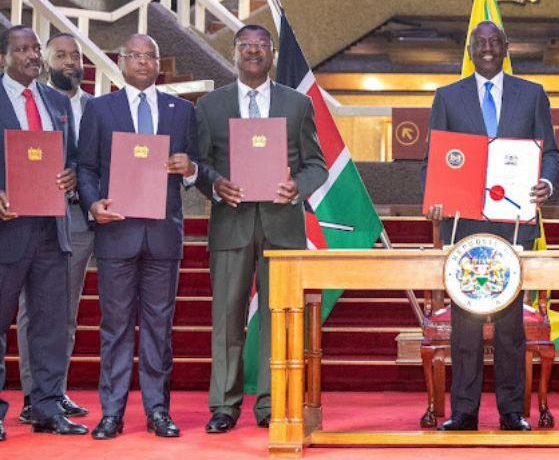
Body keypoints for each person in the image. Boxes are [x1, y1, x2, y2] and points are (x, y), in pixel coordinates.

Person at [423, 21, 559, 432]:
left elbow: (549, 152)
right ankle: (463, 412)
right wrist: (435, 200)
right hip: (464, 226)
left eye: (494, 42)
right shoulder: (447, 97)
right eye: (479, 43)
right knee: (465, 324)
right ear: (469, 48)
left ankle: (511, 412)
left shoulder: (531, 94)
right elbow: (436, 157)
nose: (486, 48)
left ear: (505, 47)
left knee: (509, 326)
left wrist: (546, 183)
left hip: (513, 226)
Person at [196, 25, 327, 434]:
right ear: (234, 53)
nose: (253, 52)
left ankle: (273, 402)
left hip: (282, 228)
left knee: (279, 319)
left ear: (272, 53)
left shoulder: (298, 104)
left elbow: (317, 165)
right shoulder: (210, 106)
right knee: (227, 319)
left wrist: (297, 188)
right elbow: (200, 164)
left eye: (261, 46)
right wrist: (215, 184)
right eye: (245, 46)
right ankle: (224, 404)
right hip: (231, 225)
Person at [77, 34, 198, 439]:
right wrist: (93, 205)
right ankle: (111, 412)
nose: (143, 62)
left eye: (150, 56)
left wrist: (189, 166)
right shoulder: (99, 109)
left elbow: (196, 164)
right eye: (135, 56)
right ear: (121, 61)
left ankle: (157, 410)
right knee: (114, 327)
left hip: (163, 236)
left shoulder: (181, 111)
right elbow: (86, 167)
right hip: (117, 234)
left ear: (158, 63)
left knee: (159, 327)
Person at [0, 25, 86, 440]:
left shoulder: (56, 101)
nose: (32, 56)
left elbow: (69, 159)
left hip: (53, 231)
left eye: (36, 49)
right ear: (5, 57)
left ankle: (47, 407)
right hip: (7, 229)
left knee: (50, 324)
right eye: (22, 49)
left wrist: (70, 177)